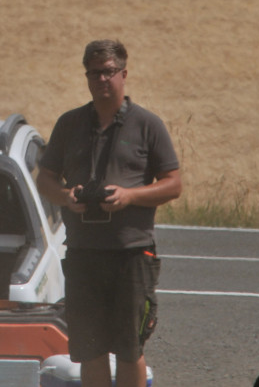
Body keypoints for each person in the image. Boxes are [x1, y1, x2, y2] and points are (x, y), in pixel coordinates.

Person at [36, 40, 182, 387]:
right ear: (86, 76)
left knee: (130, 348)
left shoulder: (147, 125)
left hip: (131, 253)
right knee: (90, 349)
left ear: (124, 74)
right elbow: (45, 179)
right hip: (84, 253)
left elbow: (173, 184)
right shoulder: (69, 124)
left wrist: (130, 196)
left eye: (109, 72)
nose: (102, 79)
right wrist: (66, 196)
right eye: (94, 73)